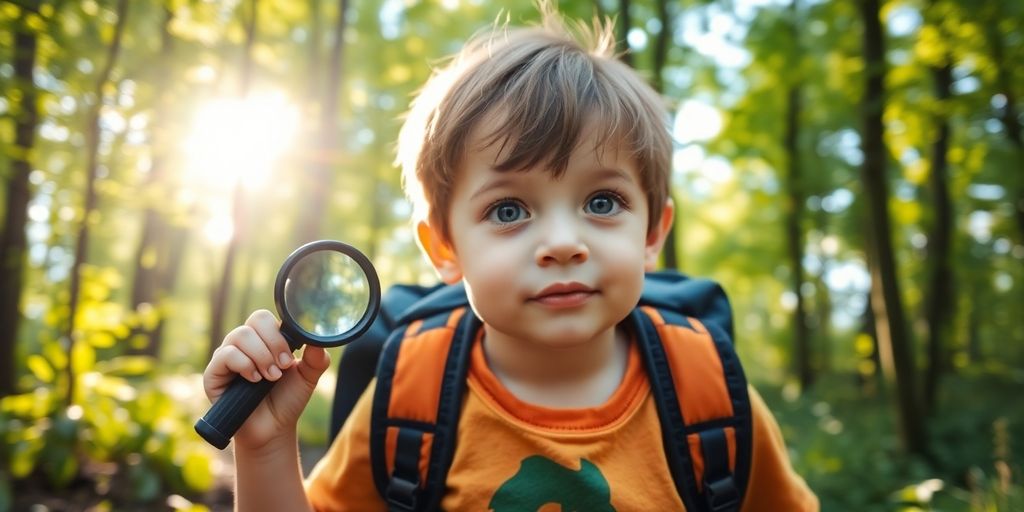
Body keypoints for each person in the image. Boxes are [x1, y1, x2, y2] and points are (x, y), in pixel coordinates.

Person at [202, 5, 819, 511]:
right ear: (445, 249)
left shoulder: (708, 392)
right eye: (508, 210)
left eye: (602, 201)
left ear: (653, 232)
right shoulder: (410, 392)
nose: (562, 242)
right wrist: (265, 448)